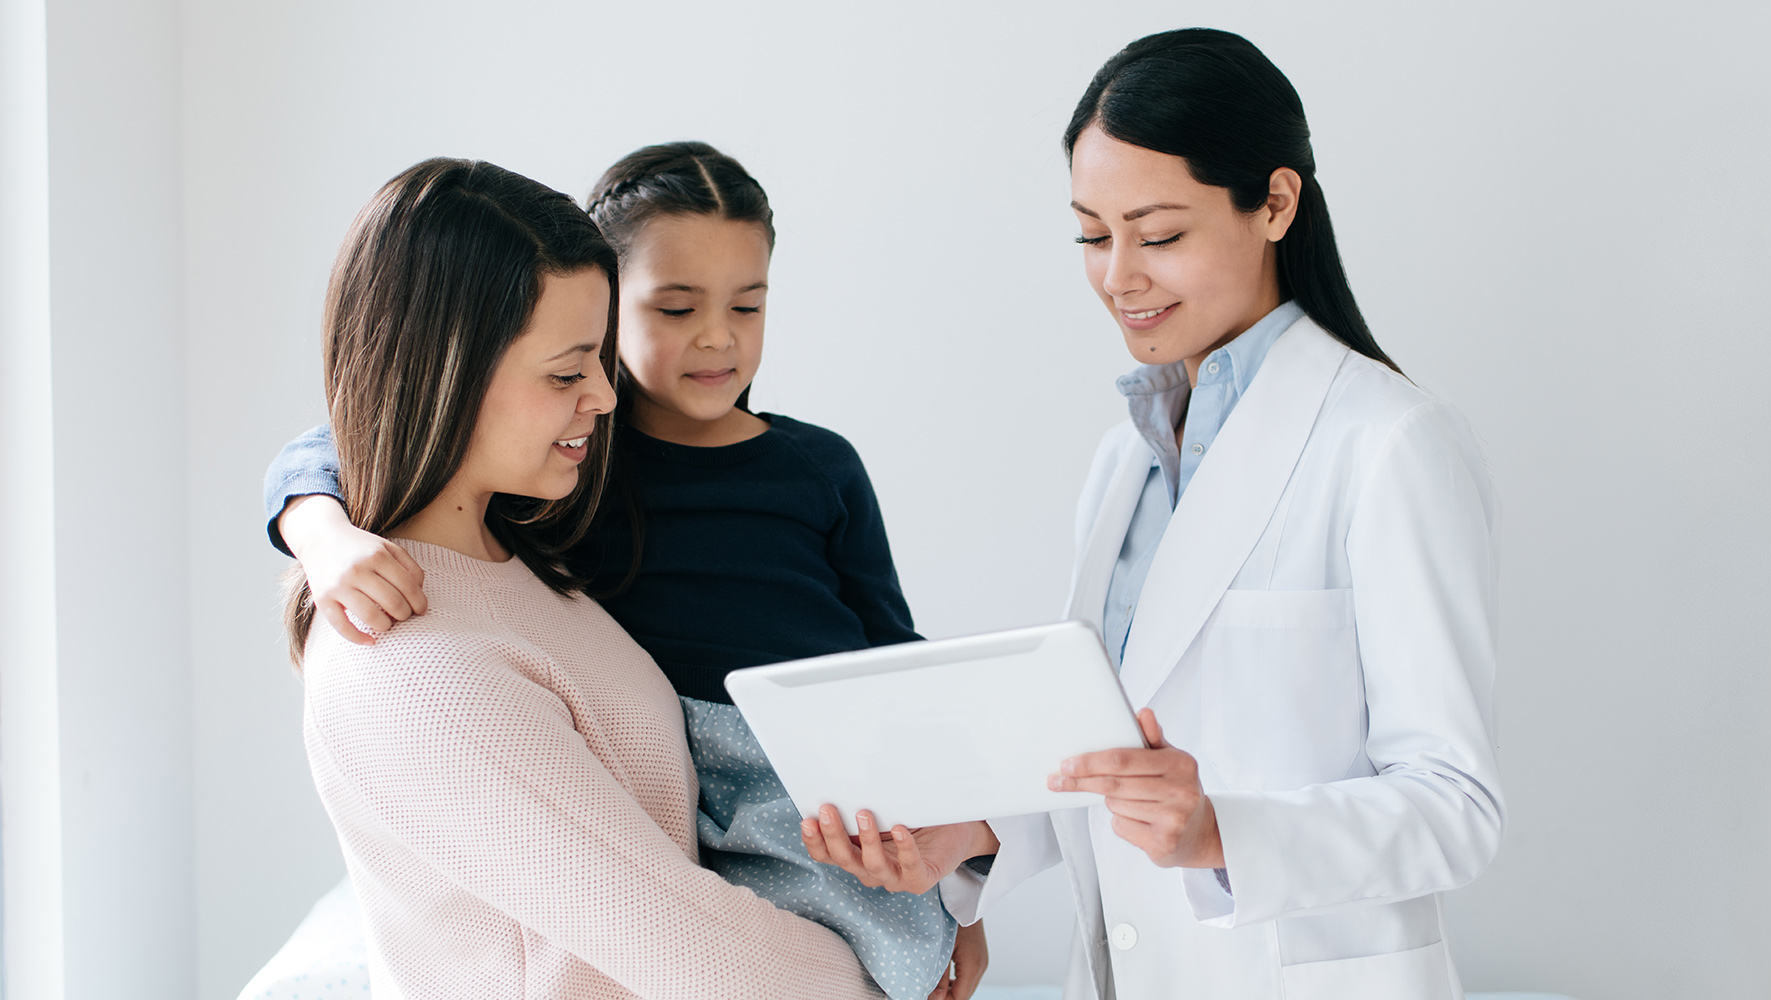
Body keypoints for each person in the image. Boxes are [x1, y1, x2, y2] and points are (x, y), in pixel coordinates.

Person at [801, 28, 1505, 1000]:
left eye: (1159, 234)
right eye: (1093, 234)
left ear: (1275, 202)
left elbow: (1453, 809)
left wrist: (1222, 832)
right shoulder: (1125, 456)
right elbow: (1102, 754)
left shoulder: (1389, 443)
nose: (1118, 274)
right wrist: (968, 834)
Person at [268, 144, 982, 1000]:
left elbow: (898, 659)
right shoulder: (420, 652)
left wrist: (966, 898)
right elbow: (711, 960)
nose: (602, 397)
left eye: (748, 304)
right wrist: (313, 524)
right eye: (573, 369)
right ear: (448, 374)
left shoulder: (529, 538)